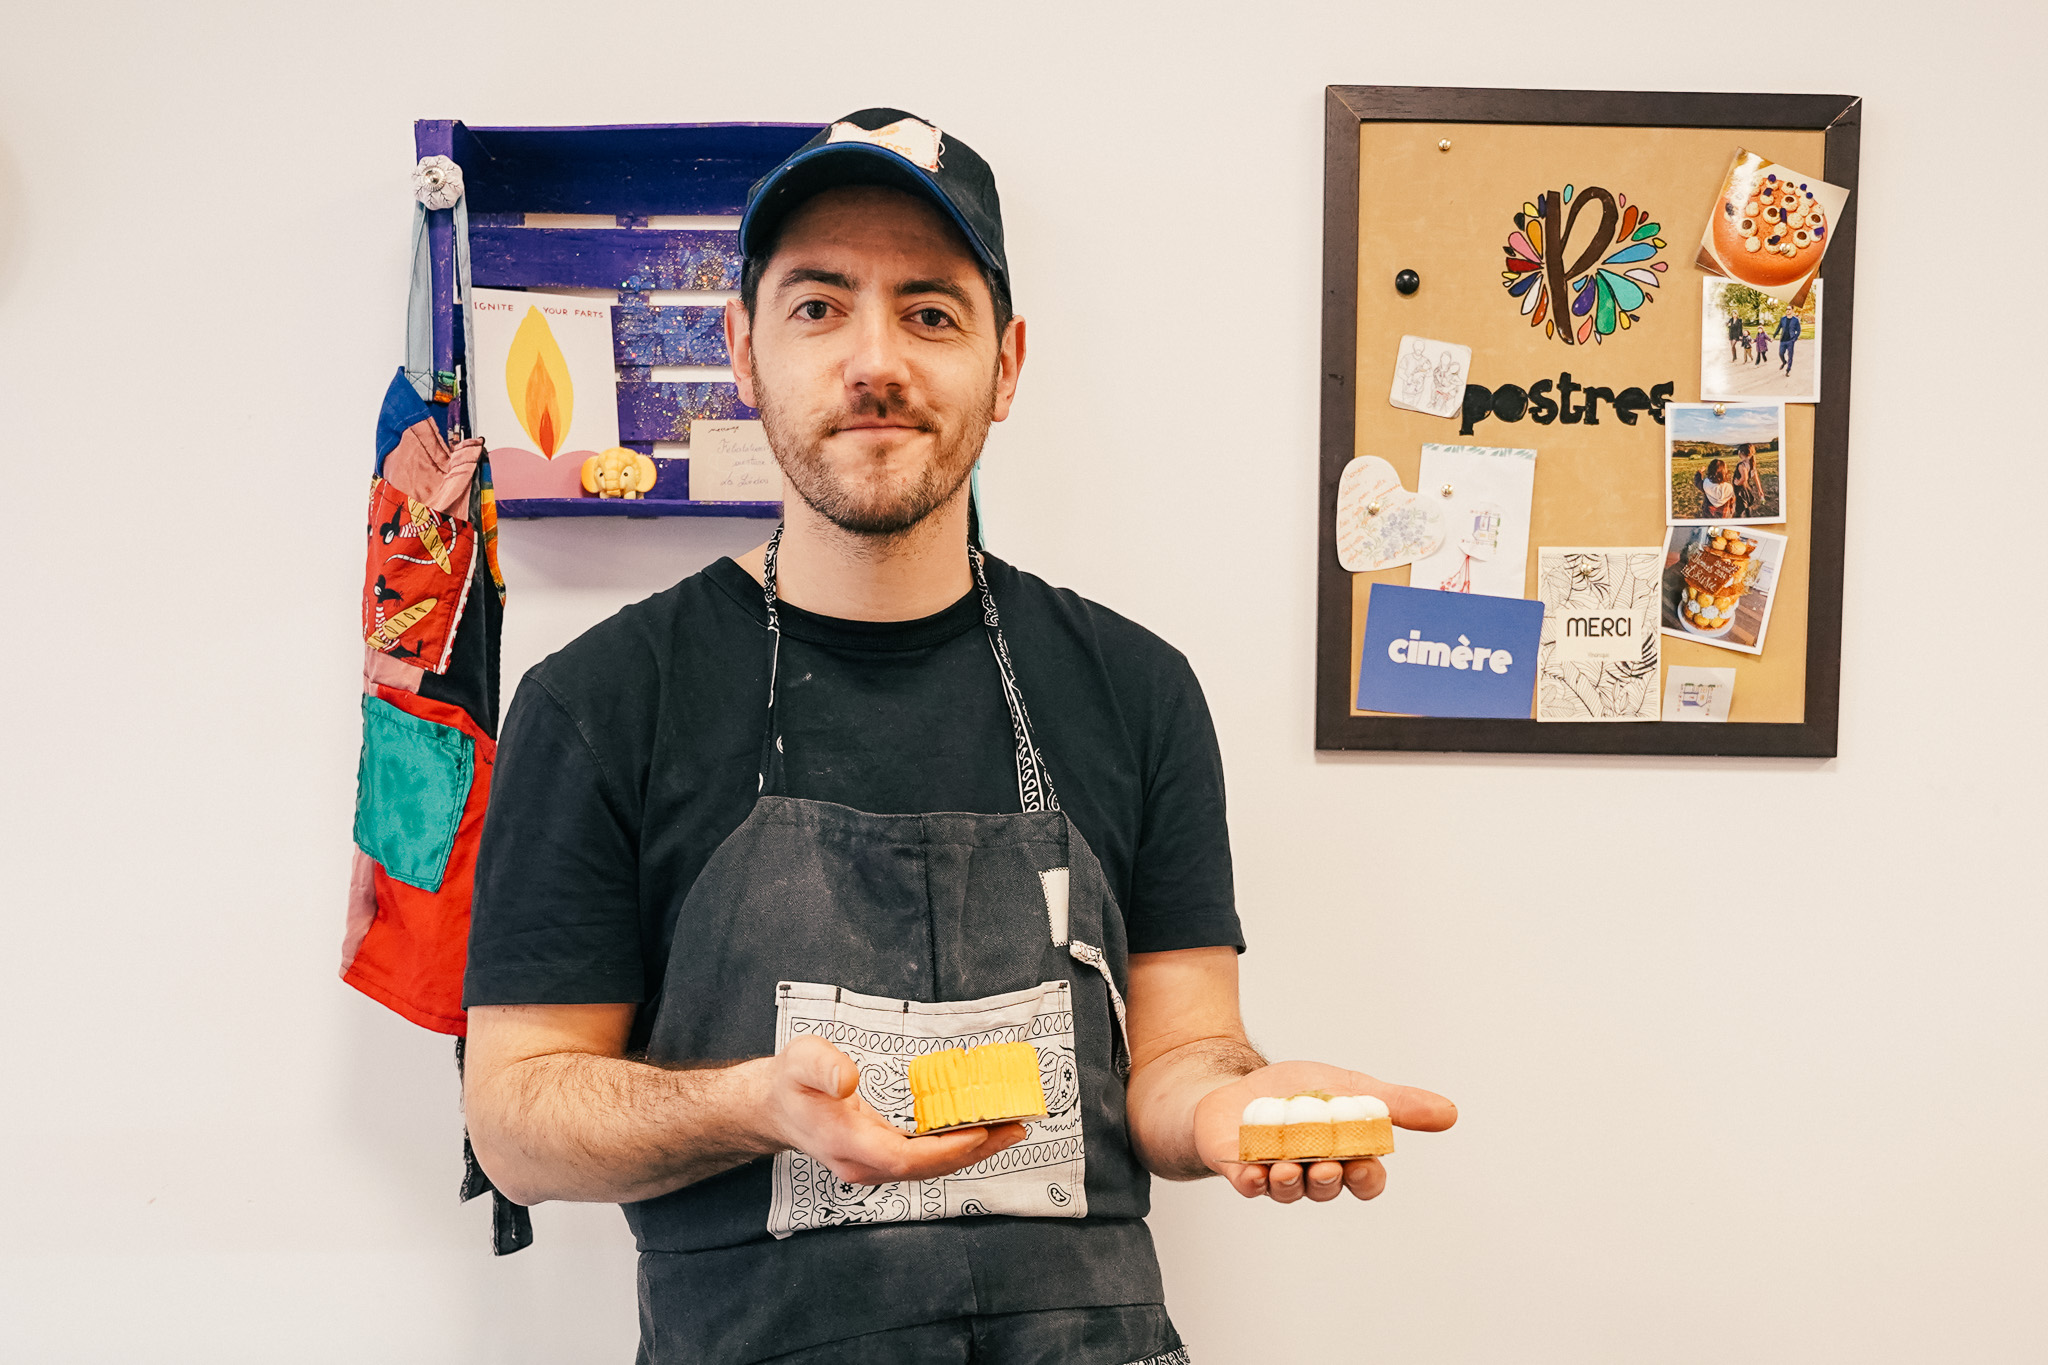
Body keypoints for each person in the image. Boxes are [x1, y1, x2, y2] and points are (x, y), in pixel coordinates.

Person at [459, 109, 1456, 1365]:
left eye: (930, 312)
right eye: (818, 307)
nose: (875, 360)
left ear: (1006, 363)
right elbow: (516, 1122)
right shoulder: (603, 701)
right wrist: (759, 1103)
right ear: (744, 354)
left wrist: (1228, 1109)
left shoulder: (1135, 689)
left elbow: (1180, 1052)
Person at [1775, 305, 1802, 374]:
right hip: (1783, 340)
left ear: (1792, 310)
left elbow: (1798, 330)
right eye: (1787, 309)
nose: (1787, 310)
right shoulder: (1783, 319)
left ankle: (1788, 370)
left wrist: (1794, 339)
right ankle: (1784, 362)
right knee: (1781, 353)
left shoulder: (1795, 320)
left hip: (1790, 340)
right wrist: (1774, 336)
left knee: (1790, 356)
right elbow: (1779, 327)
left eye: (1789, 309)